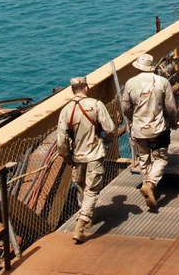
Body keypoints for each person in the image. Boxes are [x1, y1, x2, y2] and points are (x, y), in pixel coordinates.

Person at [57, 76, 115, 243]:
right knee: (92, 190)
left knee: (81, 186)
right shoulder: (96, 105)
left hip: (77, 155)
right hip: (95, 153)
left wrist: (68, 157)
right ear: (86, 88)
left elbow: (61, 141)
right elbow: (110, 128)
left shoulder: (66, 110)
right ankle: (81, 225)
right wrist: (108, 140)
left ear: (73, 90)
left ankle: (86, 216)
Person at [120, 54, 178, 209]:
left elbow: (125, 107)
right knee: (161, 158)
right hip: (157, 128)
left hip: (138, 130)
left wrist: (131, 118)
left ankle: (147, 185)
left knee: (143, 159)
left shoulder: (130, 83)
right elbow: (171, 106)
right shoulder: (162, 82)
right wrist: (173, 121)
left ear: (138, 67)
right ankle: (151, 184)